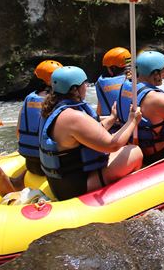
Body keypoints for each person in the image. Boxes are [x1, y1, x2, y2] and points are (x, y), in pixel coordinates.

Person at [39, 66, 143, 200]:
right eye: (84, 84)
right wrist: (132, 121)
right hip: (76, 187)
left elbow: (90, 133)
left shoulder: (53, 109)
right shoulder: (74, 117)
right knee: (135, 151)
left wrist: (111, 119)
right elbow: (113, 145)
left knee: (124, 149)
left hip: (62, 183)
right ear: (75, 89)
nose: (86, 86)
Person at [16, 59, 63, 176]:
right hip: (50, 165)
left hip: (31, 164)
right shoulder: (57, 101)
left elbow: (18, 132)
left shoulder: (28, 99)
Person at [95, 47, 131, 126]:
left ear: (113, 68)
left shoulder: (100, 84)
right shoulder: (136, 80)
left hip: (112, 128)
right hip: (134, 127)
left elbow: (99, 112)